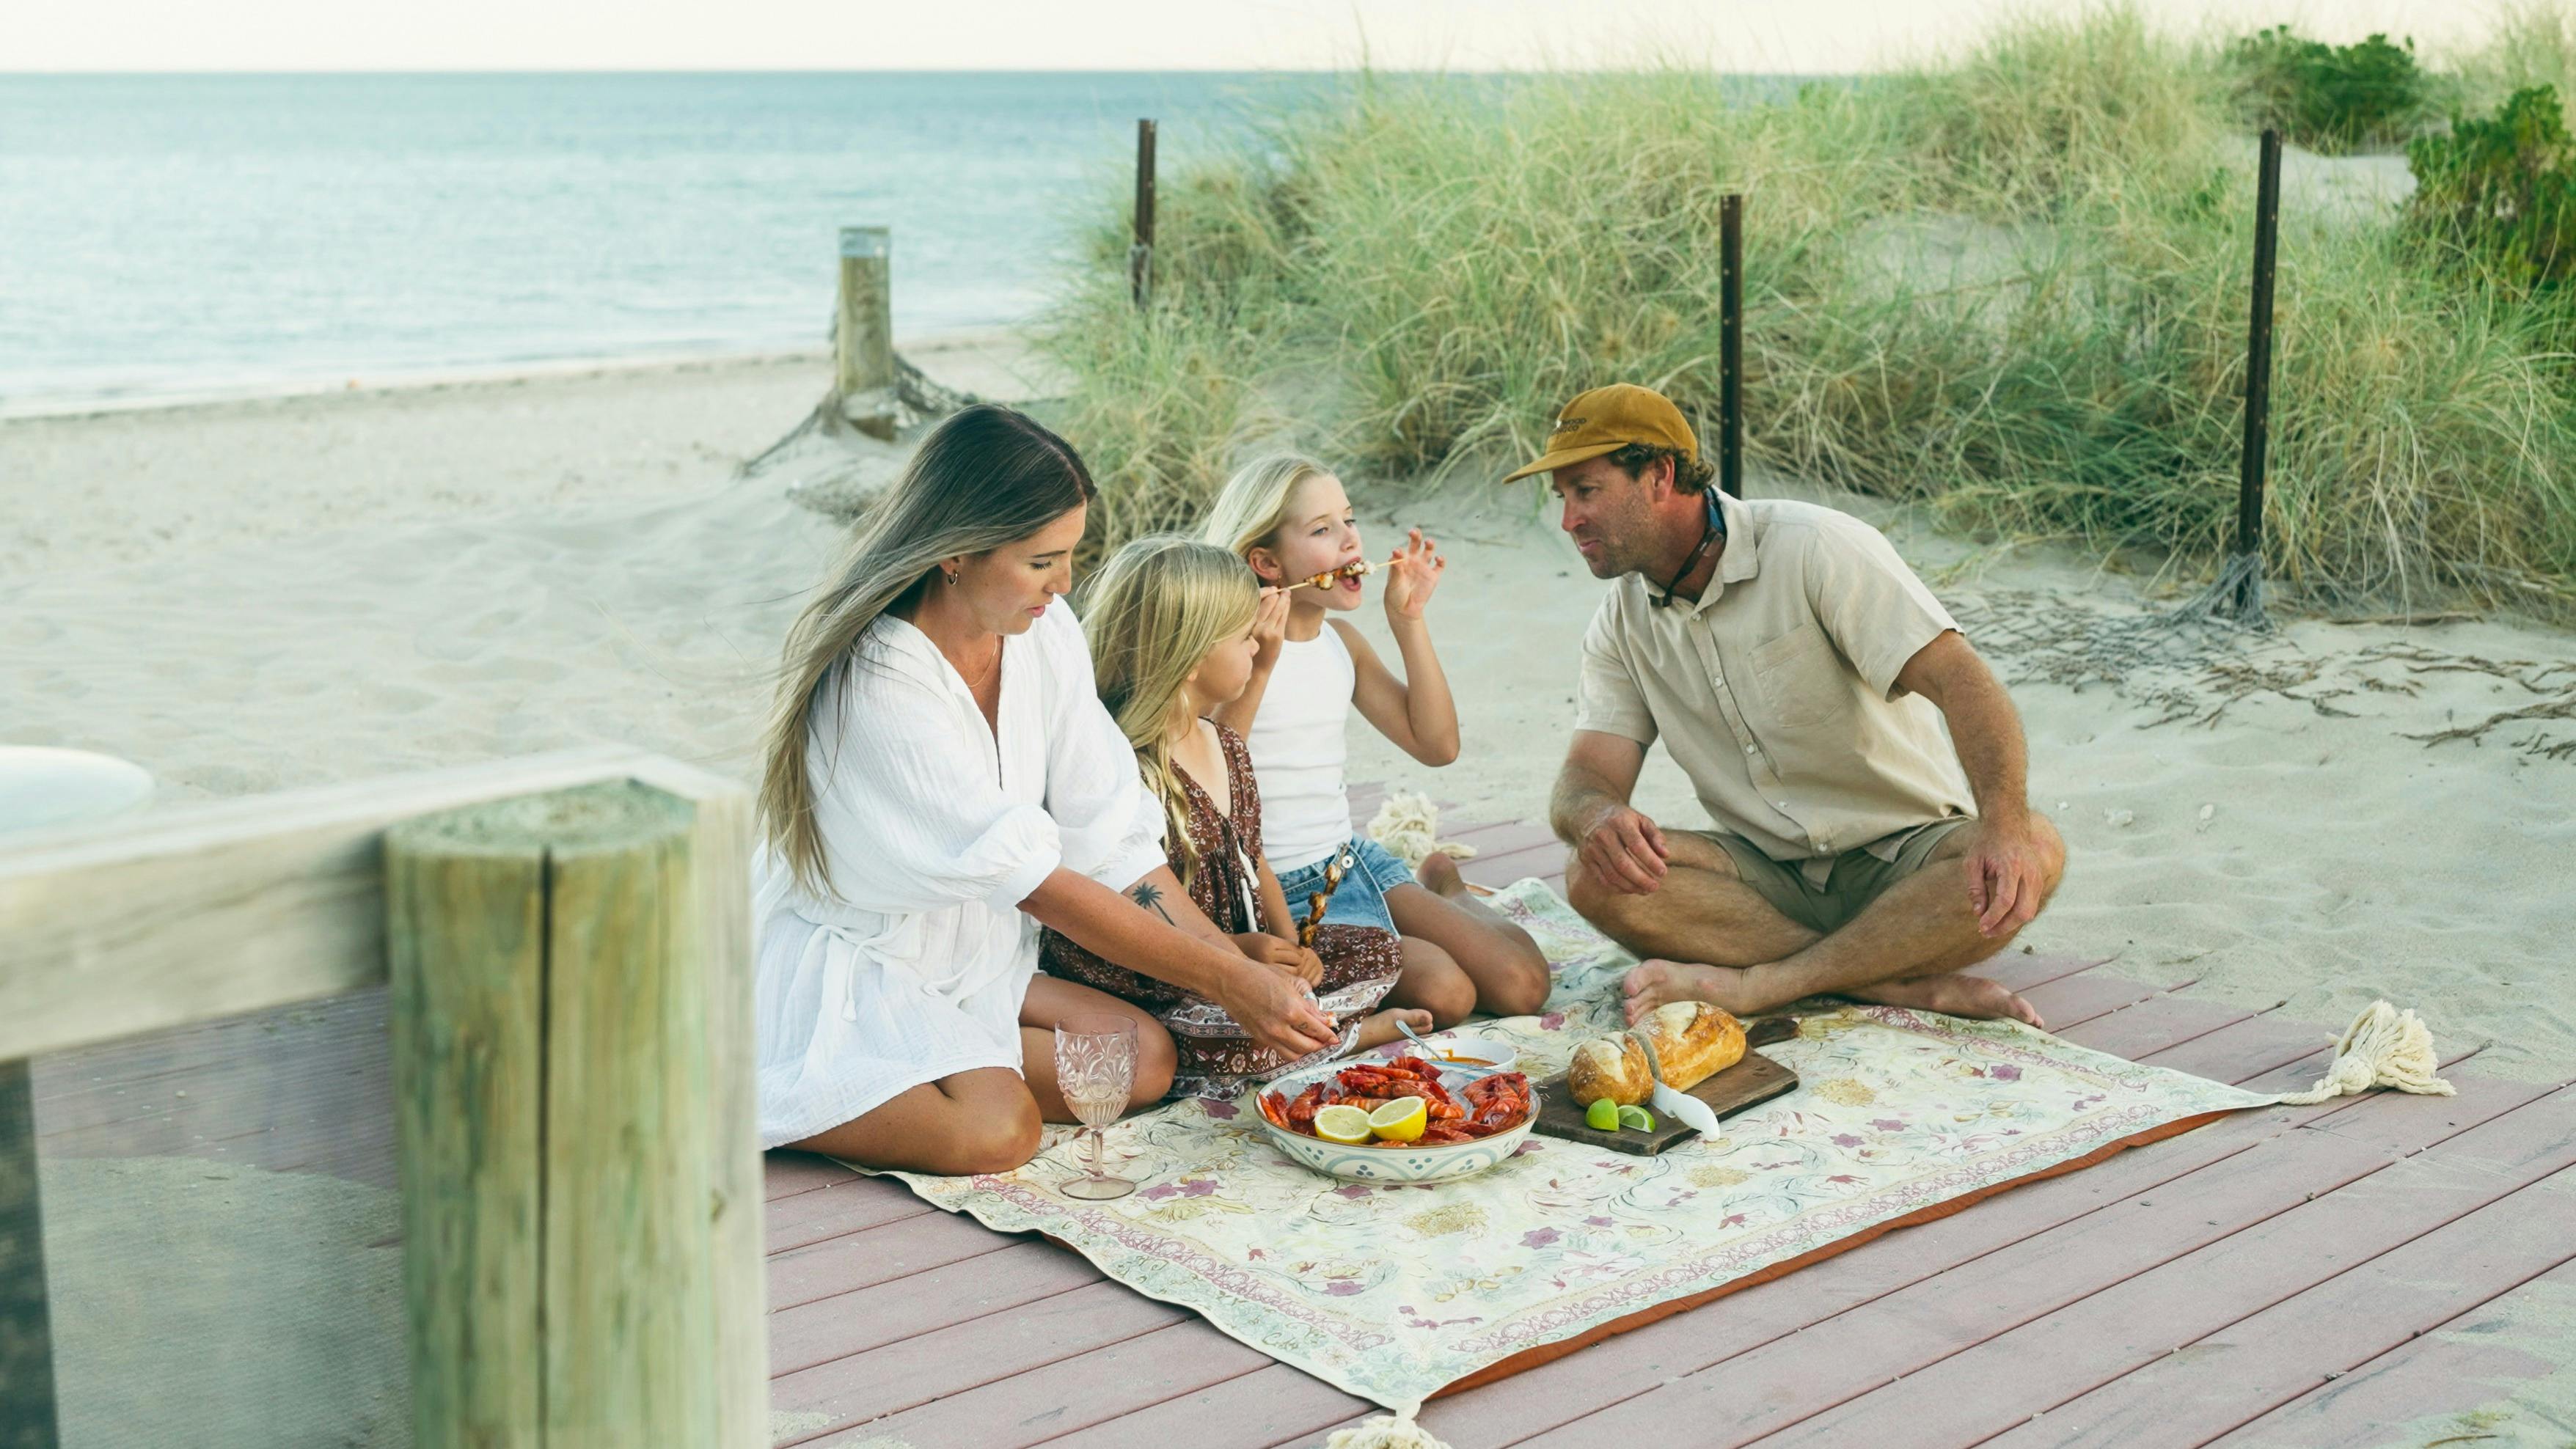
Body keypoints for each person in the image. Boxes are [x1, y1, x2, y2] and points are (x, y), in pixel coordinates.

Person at [751, 405, 1339, 1176]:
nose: (1064, 583)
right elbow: (1040, 885)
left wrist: (1234, 959)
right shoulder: (880, 678)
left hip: (979, 955)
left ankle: (923, 1069)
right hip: (867, 959)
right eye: (1041, 561)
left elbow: (1113, 840)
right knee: (999, 1131)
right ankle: (746, 1091)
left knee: (1139, 1062)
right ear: (955, 552)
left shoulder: (1044, 631)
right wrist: (1223, 976)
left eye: (1071, 555)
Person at [1509, 384, 2067, 1027]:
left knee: (2039, 846)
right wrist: (1598, 814)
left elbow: (1962, 681)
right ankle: (1892, 983)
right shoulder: (1621, 622)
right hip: (1763, 879)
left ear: (1660, 475)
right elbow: (1586, 777)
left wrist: (2002, 823)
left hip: (1904, 859)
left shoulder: (1813, 548)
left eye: (1587, 491)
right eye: (1564, 498)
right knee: (1593, 874)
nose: (1569, 520)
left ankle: (1765, 984)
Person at [1039, 535, 1432, 1098]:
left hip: (1234, 957)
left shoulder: (1227, 744)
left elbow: (1254, 857)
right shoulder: (1128, 764)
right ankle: (1333, 1038)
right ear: (1195, 654)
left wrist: (1288, 943)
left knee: (1376, 950)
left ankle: (1310, 1034)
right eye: (1247, 637)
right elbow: (1138, 911)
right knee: (1233, 1035)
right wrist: (1238, 960)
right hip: (1158, 980)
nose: (1258, 648)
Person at [1203, 455, 1554, 1024]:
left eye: (1350, 519)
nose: (1350, 541)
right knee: (1448, 993)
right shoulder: (1230, 652)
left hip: (1348, 862)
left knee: (1524, 985)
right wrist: (1262, 665)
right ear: (1266, 561)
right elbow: (1214, 777)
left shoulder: (1341, 641)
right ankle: (1422, 913)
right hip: (1276, 894)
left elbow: (1437, 746)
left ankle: (1448, 888)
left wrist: (1408, 619)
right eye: (1322, 530)